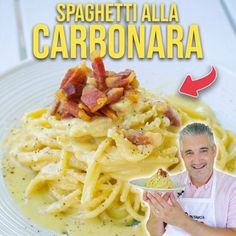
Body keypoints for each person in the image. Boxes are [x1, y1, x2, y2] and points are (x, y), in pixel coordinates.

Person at [143, 122, 236, 236]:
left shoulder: (232, 187)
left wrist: (183, 222)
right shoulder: (169, 184)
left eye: (203, 150)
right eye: (189, 152)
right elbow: (155, 233)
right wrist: (156, 207)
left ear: (214, 150)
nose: (197, 160)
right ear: (182, 155)